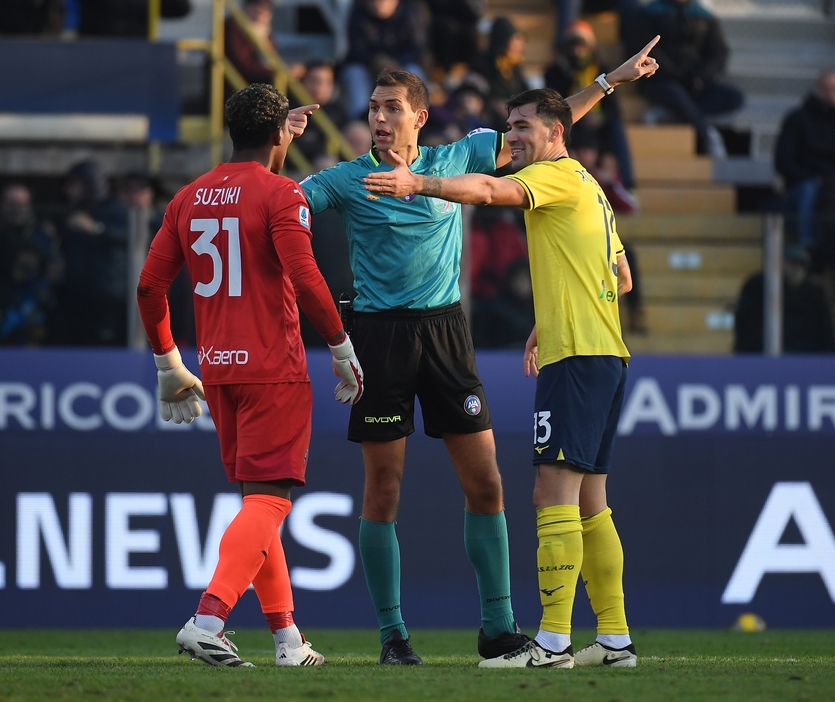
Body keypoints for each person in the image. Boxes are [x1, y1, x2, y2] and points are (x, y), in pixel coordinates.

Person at [298, 37, 659, 665]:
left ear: (419, 117)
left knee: (488, 483)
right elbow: (285, 207)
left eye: (390, 108)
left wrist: (607, 82)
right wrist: (267, 154)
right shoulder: (347, 179)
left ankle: (499, 630)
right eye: (374, 108)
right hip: (379, 336)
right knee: (383, 489)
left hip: (444, 332)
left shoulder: (460, 155)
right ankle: (393, 636)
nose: (377, 118)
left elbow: (539, 132)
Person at [135, 83, 364, 668]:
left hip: (217, 372)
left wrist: (168, 362)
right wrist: (339, 344)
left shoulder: (187, 197)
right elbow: (304, 272)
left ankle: (288, 640)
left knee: (258, 503)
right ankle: (208, 619)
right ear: (276, 137)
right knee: (269, 501)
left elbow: (149, 286)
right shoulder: (281, 193)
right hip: (273, 367)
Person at [629, 0, 743, 158]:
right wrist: (676, 75)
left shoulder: (704, 16)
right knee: (674, 93)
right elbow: (644, 50)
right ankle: (707, 136)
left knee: (734, 97)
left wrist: (701, 76)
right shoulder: (650, 13)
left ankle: (671, 114)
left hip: (695, 82)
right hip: (659, 78)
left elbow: (718, 54)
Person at [546, 19, 636, 191]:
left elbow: (613, 110)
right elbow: (553, 106)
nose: (578, 52)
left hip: (597, 128)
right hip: (569, 125)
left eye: (582, 46)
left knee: (616, 127)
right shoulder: (555, 72)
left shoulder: (602, 70)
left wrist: (600, 118)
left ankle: (627, 184)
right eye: (574, 46)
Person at [774, 69, 835, 253]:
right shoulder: (797, 119)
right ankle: (805, 244)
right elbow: (783, 161)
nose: (831, 93)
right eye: (828, 87)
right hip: (804, 184)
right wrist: (812, 178)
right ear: (818, 89)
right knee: (811, 189)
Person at [734, 245, 835, 354]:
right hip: (760, 355)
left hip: (804, 358)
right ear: (780, 263)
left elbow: (825, 332)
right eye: (792, 263)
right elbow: (746, 325)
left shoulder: (814, 294)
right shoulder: (757, 287)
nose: (796, 270)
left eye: (802, 266)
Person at [341, 0, 430, 121]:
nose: (377, 4)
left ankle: (413, 118)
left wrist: (396, 64)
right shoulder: (358, 12)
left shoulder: (410, 13)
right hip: (367, 65)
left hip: (401, 65)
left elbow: (416, 47)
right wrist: (379, 62)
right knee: (354, 73)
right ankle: (359, 121)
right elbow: (356, 48)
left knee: (414, 72)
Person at [473, 16, 530, 131]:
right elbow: (475, 94)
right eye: (514, 43)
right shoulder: (482, 65)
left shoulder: (514, 68)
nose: (519, 49)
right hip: (490, 121)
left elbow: (526, 93)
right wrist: (493, 104)